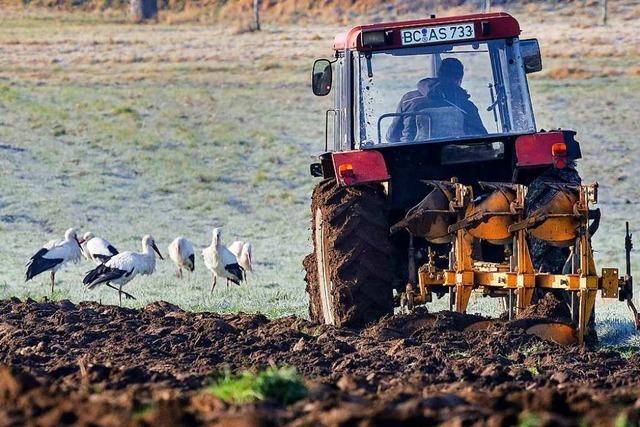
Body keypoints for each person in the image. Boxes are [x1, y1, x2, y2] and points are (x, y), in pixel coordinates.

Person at [386, 58, 487, 143]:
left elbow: (392, 137)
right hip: (456, 157)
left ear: (439, 75)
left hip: (411, 157)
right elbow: (481, 137)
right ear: (459, 79)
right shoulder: (465, 105)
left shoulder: (408, 99)